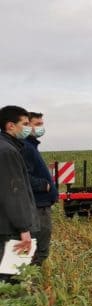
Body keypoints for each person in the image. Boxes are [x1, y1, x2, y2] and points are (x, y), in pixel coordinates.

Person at [0, 106, 39, 281]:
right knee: (10, 275)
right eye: (24, 124)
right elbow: (13, 193)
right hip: (9, 228)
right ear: (10, 126)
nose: (28, 128)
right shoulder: (8, 152)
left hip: (6, 224)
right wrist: (24, 229)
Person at [21, 112, 58, 266]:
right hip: (37, 205)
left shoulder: (31, 146)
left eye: (42, 124)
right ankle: (28, 280)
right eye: (37, 124)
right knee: (37, 247)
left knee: (37, 246)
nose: (41, 128)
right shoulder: (26, 147)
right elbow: (20, 176)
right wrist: (43, 185)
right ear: (26, 126)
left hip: (40, 204)